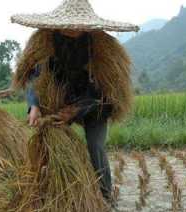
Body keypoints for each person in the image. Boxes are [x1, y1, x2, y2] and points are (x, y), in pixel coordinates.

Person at [11, 0, 139, 206]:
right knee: (50, 142)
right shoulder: (44, 40)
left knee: (95, 146)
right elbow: (34, 75)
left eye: (78, 24)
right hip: (60, 102)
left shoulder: (102, 47)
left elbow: (106, 91)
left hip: (95, 105)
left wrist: (76, 110)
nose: (73, 28)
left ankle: (105, 196)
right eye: (68, 23)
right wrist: (34, 105)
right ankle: (49, 191)